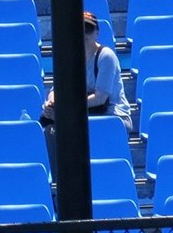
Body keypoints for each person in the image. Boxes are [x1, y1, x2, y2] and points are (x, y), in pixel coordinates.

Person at [41, 12, 132, 173]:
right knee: (51, 131)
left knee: (84, 130)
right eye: (79, 29)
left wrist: (66, 107)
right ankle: (60, 182)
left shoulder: (106, 56)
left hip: (112, 116)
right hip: (84, 115)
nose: (83, 34)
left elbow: (100, 97)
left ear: (97, 32)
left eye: (88, 29)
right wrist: (52, 103)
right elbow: (56, 89)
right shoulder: (69, 57)